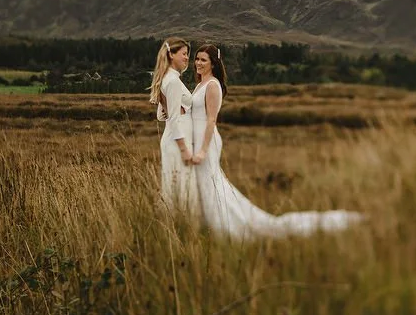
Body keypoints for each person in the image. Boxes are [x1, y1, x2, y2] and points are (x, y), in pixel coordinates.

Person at [181, 43, 365, 239]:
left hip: (206, 143)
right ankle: (207, 224)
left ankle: (225, 228)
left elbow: (211, 120)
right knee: (204, 184)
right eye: (197, 58)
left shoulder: (212, 85)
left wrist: (202, 150)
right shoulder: (201, 83)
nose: (198, 63)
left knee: (210, 184)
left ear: (213, 64)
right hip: (197, 141)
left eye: (203, 60)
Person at [149, 37, 194, 213]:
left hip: (171, 138)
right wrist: (184, 149)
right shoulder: (173, 81)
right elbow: (173, 118)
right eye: (183, 54)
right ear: (171, 54)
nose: (187, 58)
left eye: (187, 54)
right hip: (177, 142)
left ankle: (171, 221)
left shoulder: (165, 77)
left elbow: (161, 115)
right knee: (180, 187)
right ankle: (178, 223)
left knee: (173, 186)